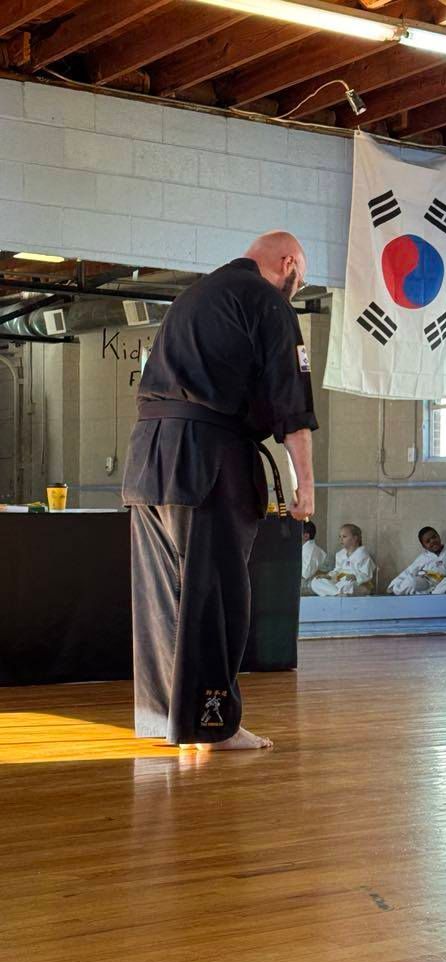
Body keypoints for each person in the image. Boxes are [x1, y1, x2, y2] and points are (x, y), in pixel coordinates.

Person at [122, 231, 317, 752]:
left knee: (163, 593)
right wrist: (305, 487)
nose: (298, 286)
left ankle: (164, 716)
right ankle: (211, 724)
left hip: (147, 456)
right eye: (300, 276)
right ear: (288, 264)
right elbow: (292, 405)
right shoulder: (268, 302)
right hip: (208, 455)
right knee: (216, 590)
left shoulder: (194, 296)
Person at [387, 526, 446, 595]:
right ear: (424, 546)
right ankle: (397, 592)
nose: (432, 541)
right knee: (412, 582)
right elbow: (409, 571)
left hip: (442, 585)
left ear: (439, 536)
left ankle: (432, 596)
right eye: (428, 541)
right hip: (426, 583)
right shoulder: (423, 557)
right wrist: (394, 585)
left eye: (434, 537)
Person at [311, 523, 376, 596]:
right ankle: (338, 593)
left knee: (349, 586)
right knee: (315, 581)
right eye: (340, 537)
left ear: (355, 538)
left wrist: (356, 577)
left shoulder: (363, 555)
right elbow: (337, 571)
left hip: (357, 584)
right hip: (340, 582)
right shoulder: (339, 554)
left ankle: (337, 592)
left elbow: (367, 575)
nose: (341, 539)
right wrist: (328, 576)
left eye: (344, 536)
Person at [301, 520, 327, 595]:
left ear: (306, 536)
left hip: (307, 585)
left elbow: (305, 574)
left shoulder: (310, 551)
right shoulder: (306, 548)